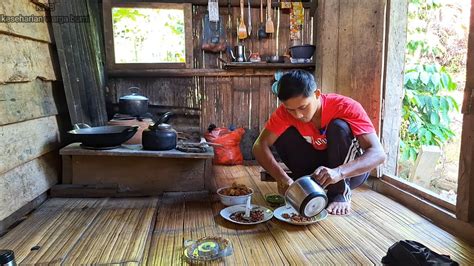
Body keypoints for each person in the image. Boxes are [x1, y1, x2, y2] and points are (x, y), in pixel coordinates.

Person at [252, 70, 386, 215]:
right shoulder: (284, 113)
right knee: (283, 134)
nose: (298, 115)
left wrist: (338, 172)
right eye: (291, 109)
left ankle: (340, 193)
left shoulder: (345, 106)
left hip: (348, 173)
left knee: (338, 127)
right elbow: (259, 146)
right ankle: (304, 183)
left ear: (317, 94)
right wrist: (282, 178)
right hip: (318, 173)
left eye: (303, 107)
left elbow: (378, 153)